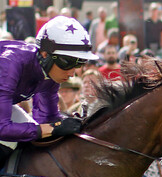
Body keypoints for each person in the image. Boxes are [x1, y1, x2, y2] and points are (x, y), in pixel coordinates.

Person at [0, 16, 99, 158]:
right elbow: (2, 128)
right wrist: (54, 128)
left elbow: (45, 119)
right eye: (67, 62)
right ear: (44, 54)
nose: (72, 73)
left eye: (79, 63)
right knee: (13, 140)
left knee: (31, 132)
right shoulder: (9, 64)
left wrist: (71, 122)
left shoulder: (50, 74)